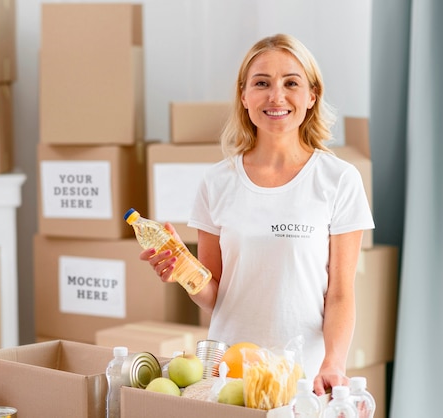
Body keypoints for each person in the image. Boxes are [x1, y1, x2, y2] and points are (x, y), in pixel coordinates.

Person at [139, 33, 374, 396]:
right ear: (244, 96)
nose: (276, 96)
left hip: (301, 378)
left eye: (291, 83)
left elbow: (341, 294)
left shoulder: (339, 180)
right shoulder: (217, 182)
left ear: (312, 95)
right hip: (227, 374)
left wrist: (333, 362)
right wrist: (182, 272)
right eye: (262, 83)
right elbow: (214, 293)